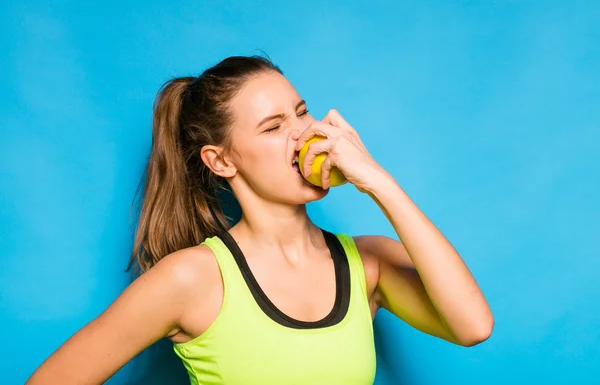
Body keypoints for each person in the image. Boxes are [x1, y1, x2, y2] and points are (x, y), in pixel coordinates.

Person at [26, 55, 493, 384]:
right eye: (272, 128)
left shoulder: (366, 264)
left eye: (301, 112)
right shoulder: (191, 278)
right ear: (221, 161)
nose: (302, 133)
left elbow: (472, 326)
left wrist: (379, 183)